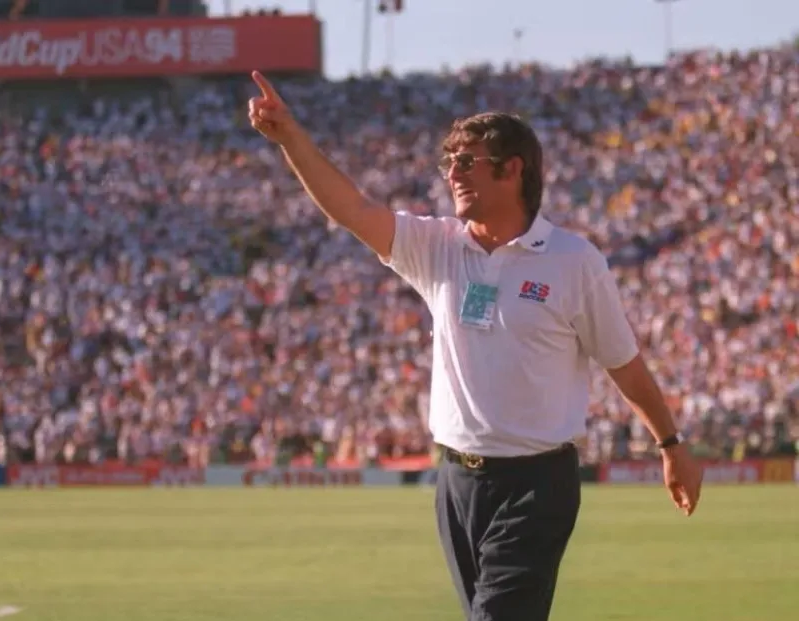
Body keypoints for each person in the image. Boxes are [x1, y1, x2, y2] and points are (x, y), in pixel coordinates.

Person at [246, 70, 704, 621]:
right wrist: (291, 137)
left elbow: (623, 363)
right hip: (457, 482)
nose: (453, 174)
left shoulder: (573, 261)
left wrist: (671, 444)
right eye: (450, 162)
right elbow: (352, 209)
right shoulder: (437, 245)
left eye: (468, 162)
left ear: (514, 170)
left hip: (536, 484)